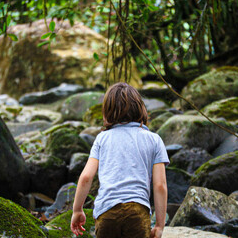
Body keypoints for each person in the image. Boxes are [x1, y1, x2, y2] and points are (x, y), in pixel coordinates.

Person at [70, 82, 169, 238]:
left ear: (107, 112)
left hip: (107, 212)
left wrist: (77, 210)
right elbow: (160, 186)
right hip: (138, 212)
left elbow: (86, 177)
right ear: (141, 108)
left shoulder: (102, 139)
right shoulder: (154, 140)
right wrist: (159, 225)